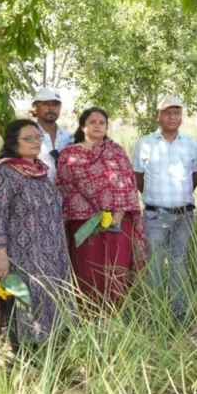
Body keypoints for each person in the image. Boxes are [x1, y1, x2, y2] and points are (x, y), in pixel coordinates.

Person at [0, 119, 74, 353]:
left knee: (51, 298)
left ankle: (51, 353)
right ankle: (25, 356)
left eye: (37, 137)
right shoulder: (3, 173)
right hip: (21, 257)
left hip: (51, 254)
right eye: (27, 138)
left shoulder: (41, 170)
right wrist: (0, 256)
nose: (35, 142)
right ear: (13, 142)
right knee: (24, 300)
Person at [57, 107, 147, 303]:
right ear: (83, 126)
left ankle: (115, 318)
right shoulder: (69, 155)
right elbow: (65, 188)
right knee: (86, 270)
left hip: (117, 222)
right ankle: (88, 318)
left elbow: (127, 184)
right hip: (83, 224)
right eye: (92, 122)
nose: (97, 125)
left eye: (102, 122)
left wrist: (118, 214)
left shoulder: (116, 151)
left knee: (115, 270)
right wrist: (93, 211)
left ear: (107, 127)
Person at [131, 95, 197, 319]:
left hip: (184, 215)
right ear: (158, 116)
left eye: (177, 113)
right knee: (153, 265)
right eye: (168, 113)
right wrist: (155, 198)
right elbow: (138, 178)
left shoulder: (190, 143)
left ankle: (179, 312)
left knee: (179, 262)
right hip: (155, 215)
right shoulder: (145, 143)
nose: (173, 117)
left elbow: (195, 176)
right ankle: (156, 314)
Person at [31, 88, 73, 183]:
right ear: (34, 107)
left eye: (56, 104)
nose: (51, 108)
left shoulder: (69, 138)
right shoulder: (25, 137)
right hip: (36, 195)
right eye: (46, 104)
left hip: (65, 195)